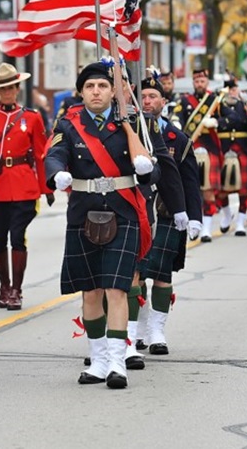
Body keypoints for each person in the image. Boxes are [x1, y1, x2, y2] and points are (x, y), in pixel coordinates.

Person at [45, 61, 159, 389]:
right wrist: (57, 174)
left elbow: (157, 168)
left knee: (117, 289)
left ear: (113, 91)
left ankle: (117, 361)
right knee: (91, 291)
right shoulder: (69, 124)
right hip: (83, 214)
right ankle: (97, 361)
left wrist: (144, 168)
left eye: (103, 86)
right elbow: (53, 156)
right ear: (81, 93)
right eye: (90, 87)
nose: (96, 91)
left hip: (122, 213)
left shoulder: (132, 123)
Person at [0, 62, 49, 310]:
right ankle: (4, 286)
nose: (6, 92)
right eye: (2, 88)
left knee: (18, 237)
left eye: (10, 87)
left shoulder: (32, 118)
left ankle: (16, 290)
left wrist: (46, 188)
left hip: (23, 184)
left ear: (17, 88)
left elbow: (40, 154)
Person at [135, 74, 201, 356]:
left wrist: (193, 214)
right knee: (135, 275)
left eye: (153, 97)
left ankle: (157, 332)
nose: (148, 101)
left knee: (162, 274)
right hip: (137, 212)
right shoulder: (130, 133)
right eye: (144, 97)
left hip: (166, 214)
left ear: (164, 101)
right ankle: (137, 330)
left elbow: (189, 180)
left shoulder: (177, 137)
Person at [173, 68, 223, 241]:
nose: (199, 84)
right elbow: (176, 116)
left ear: (207, 82)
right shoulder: (185, 100)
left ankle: (207, 229)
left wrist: (217, 121)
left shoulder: (215, 101)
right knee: (190, 189)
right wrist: (176, 125)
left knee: (208, 191)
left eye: (202, 81)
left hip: (210, 149)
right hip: (191, 149)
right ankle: (193, 224)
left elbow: (235, 118)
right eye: (196, 81)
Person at [215, 78, 247, 236]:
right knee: (221, 190)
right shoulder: (217, 105)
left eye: (234, 89)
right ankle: (227, 214)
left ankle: (241, 221)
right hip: (224, 148)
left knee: (244, 191)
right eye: (229, 90)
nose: (232, 93)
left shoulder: (246, 106)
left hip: (243, 148)